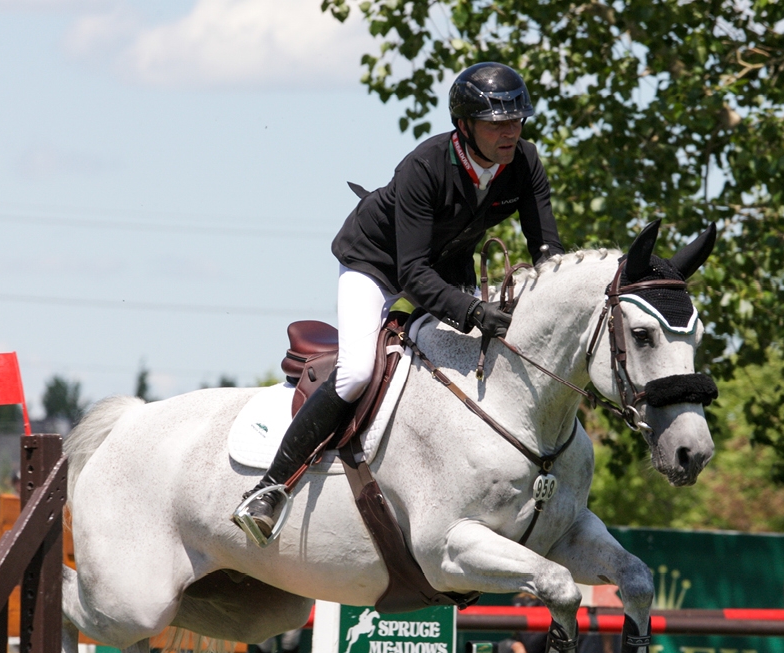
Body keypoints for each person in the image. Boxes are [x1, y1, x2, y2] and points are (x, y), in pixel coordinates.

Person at [233, 62, 563, 542]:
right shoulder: (424, 166)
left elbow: (547, 252)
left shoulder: (525, 162)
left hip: (446, 267)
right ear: (465, 126)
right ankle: (269, 489)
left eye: (517, 121)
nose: (510, 132)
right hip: (377, 267)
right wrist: (472, 312)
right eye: (497, 124)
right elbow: (411, 274)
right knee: (358, 371)